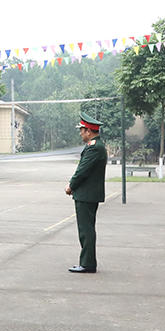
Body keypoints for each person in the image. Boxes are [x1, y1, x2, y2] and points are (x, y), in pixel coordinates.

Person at [65, 112, 108, 274]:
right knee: (87, 229)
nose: (81, 133)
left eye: (82, 130)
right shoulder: (96, 147)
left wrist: (71, 186)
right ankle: (87, 262)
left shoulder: (94, 148)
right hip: (88, 194)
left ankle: (88, 263)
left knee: (86, 230)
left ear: (88, 131)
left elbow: (82, 171)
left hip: (86, 195)